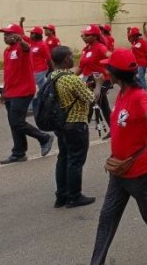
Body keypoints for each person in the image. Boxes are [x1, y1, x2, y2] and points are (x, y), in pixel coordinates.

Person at [64, 49, 147, 265]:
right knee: (107, 219)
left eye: (107, 69)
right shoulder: (121, 92)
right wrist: (100, 85)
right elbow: (103, 108)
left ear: (117, 73)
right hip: (119, 171)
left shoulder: (137, 95)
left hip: (140, 170)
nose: (105, 71)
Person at [51, 46, 98, 208]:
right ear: (65, 60)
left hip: (61, 123)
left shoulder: (53, 76)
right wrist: (98, 85)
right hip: (76, 123)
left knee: (63, 158)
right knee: (75, 161)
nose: (73, 59)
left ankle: (61, 195)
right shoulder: (72, 79)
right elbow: (91, 99)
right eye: (71, 56)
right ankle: (74, 196)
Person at [0, 24, 54, 164]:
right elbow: (9, 74)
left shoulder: (22, 48)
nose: (5, 37)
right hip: (11, 92)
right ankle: (19, 153)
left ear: (17, 36)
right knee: (14, 123)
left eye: (8, 34)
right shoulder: (7, 51)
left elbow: (26, 47)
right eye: (4, 34)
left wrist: (21, 40)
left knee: (18, 122)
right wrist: (4, 91)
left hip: (23, 91)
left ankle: (44, 137)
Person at [74, 24, 112, 139]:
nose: (83, 36)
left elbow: (110, 56)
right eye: (83, 34)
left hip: (102, 80)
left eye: (87, 35)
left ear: (95, 36)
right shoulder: (86, 49)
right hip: (89, 82)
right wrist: (69, 77)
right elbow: (80, 68)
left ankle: (81, 133)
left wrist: (110, 67)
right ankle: (114, 128)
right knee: (101, 105)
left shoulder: (100, 47)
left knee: (92, 105)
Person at [28, 26, 54, 113]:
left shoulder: (42, 45)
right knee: (42, 87)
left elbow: (49, 59)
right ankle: (47, 103)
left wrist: (53, 70)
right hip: (33, 70)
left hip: (40, 70)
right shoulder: (32, 43)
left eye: (32, 33)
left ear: (37, 35)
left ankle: (32, 107)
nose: (30, 35)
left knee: (33, 87)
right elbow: (21, 35)